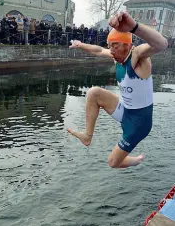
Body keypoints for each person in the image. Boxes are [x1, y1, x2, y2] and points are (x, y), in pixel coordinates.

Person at [68, 11, 168, 169]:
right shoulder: (116, 56)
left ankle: (136, 160)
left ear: (127, 45)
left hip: (139, 124)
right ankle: (87, 136)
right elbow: (99, 50)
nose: (111, 50)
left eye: (115, 46)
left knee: (113, 163)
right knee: (93, 93)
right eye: (110, 46)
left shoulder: (138, 57)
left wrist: (134, 27)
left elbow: (162, 44)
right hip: (126, 111)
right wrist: (80, 45)